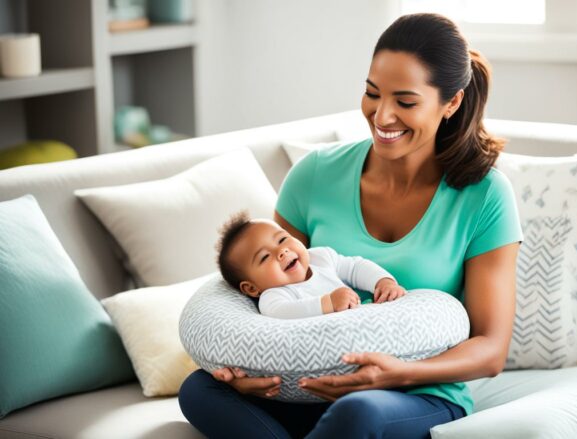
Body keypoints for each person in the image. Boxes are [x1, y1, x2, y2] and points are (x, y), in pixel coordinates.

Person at [179, 12, 523, 439]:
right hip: (303, 388)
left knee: (357, 413)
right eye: (372, 93)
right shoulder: (314, 175)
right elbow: (263, 288)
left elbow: (491, 349)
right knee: (197, 389)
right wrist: (240, 373)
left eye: (406, 101)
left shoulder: (484, 195)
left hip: (413, 392)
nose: (382, 116)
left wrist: (398, 374)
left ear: (450, 102)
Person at [215, 212, 406, 318]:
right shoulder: (274, 296)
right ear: (251, 288)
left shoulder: (320, 257)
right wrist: (328, 302)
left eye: (282, 239)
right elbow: (281, 313)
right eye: (265, 257)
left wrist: (382, 282)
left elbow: (356, 267)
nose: (281, 251)